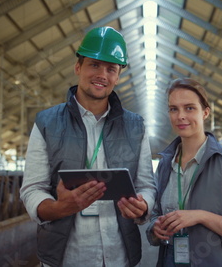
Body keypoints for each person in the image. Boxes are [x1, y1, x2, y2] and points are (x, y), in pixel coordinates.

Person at [20, 26, 156, 267]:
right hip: (65, 257)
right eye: (94, 65)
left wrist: (142, 205)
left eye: (111, 68)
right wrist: (59, 208)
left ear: (118, 75)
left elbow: (146, 184)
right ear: (78, 68)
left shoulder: (136, 127)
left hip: (119, 256)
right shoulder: (46, 123)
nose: (102, 74)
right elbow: (32, 189)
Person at [146, 78, 222, 267]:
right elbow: (155, 215)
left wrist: (199, 216)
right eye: (174, 109)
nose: (180, 116)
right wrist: (155, 228)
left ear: (205, 112)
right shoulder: (165, 164)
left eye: (189, 108)